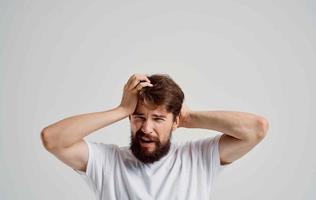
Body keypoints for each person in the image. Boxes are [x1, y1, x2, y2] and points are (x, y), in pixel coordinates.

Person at [41, 73, 269, 200]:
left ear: (175, 121)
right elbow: (52, 138)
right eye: (139, 117)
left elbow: (256, 129)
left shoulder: (197, 158)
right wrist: (121, 110)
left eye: (158, 119)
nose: (146, 128)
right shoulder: (107, 162)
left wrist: (188, 117)